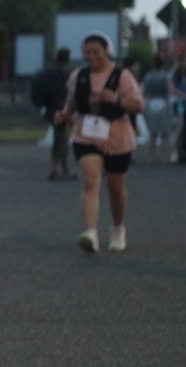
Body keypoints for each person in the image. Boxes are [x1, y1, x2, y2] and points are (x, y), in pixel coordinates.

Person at [54, 32, 144, 254]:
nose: (91, 56)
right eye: (87, 52)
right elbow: (73, 101)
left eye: (97, 52)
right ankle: (91, 232)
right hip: (86, 133)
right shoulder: (78, 75)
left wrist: (116, 99)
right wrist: (64, 115)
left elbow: (138, 105)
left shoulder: (122, 76)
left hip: (117, 135)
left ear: (107, 52)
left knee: (116, 187)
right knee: (91, 180)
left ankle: (117, 228)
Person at [32, 47, 74, 180]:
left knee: (59, 139)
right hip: (62, 109)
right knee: (62, 140)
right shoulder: (65, 74)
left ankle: (58, 168)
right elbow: (64, 94)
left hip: (51, 109)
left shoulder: (49, 73)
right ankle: (60, 168)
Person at [141, 56, 177, 164]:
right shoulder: (166, 76)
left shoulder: (148, 76)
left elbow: (144, 91)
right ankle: (165, 158)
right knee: (165, 133)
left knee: (153, 133)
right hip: (163, 103)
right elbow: (171, 89)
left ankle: (151, 157)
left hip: (150, 103)